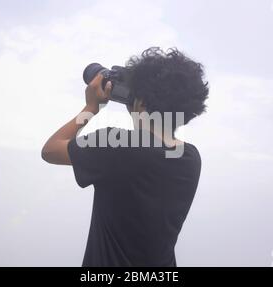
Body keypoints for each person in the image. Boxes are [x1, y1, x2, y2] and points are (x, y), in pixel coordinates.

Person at [42, 47, 209, 266]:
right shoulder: (190, 158)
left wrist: (91, 107)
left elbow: (50, 149)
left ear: (141, 101)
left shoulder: (116, 143)